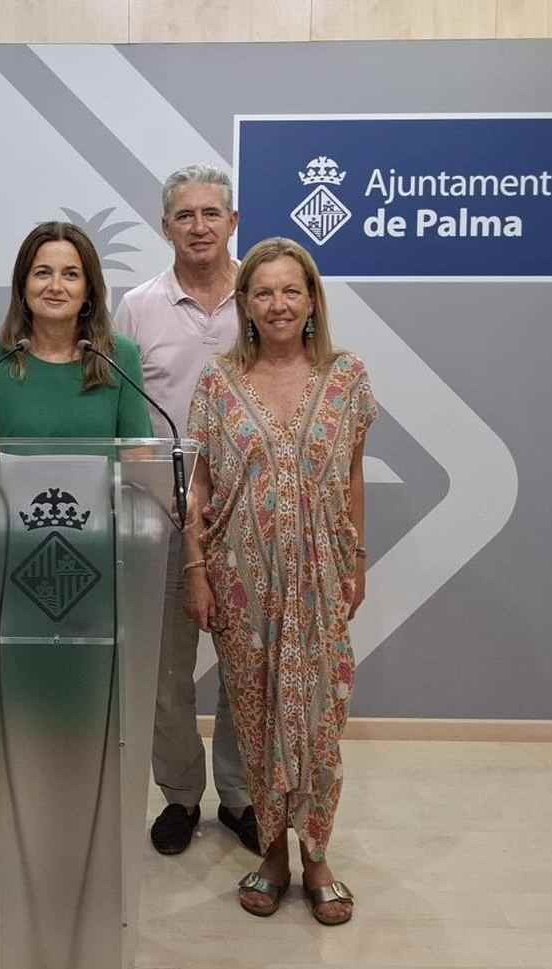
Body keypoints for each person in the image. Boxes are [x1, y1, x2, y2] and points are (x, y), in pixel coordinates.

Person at [182, 237, 376, 927]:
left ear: (312, 299)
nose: (278, 303)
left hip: (322, 575)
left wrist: (356, 559)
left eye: (291, 290)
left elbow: (351, 474)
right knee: (257, 718)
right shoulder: (219, 382)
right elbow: (199, 486)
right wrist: (197, 570)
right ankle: (272, 854)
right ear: (246, 305)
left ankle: (318, 854)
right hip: (241, 579)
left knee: (320, 719)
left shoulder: (347, 377)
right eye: (263, 292)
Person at [113, 165, 258, 857]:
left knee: (244, 665)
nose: (198, 226)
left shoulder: (266, 298)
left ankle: (239, 795)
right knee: (165, 670)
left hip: (252, 517)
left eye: (211, 213)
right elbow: (117, 413)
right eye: (184, 215)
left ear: (233, 222)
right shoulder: (138, 308)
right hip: (161, 516)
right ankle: (179, 796)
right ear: (164, 225)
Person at [0, 220, 151, 439]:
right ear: (23, 284)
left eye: (71, 275)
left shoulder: (121, 356)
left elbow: (138, 459)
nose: (56, 287)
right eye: (42, 273)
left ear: (88, 289)